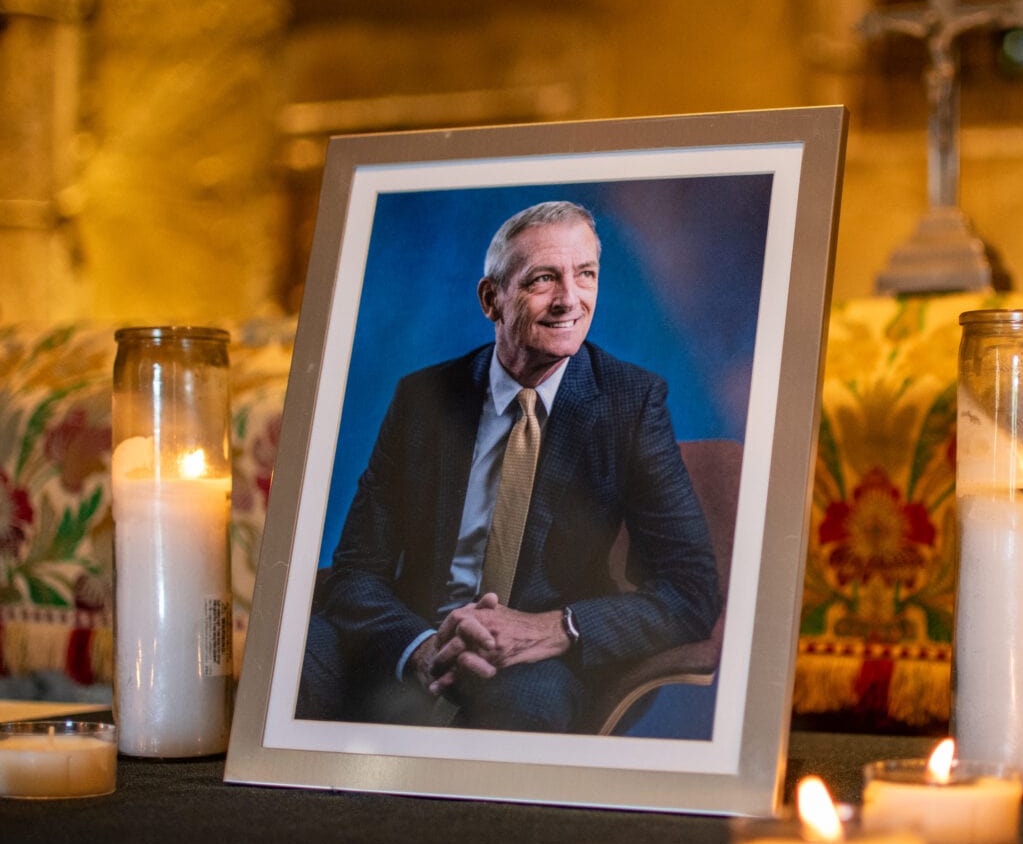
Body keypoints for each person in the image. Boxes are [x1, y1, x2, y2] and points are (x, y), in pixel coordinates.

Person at [301, 200, 720, 733]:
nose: (570, 300)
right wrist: (422, 648)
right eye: (543, 279)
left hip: (538, 658)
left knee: (521, 727)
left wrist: (554, 628)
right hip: (410, 634)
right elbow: (359, 568)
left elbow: (690, 592)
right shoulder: (423, 399)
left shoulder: (630, 405)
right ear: (491, 299)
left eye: (585, 275)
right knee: (296, 666)